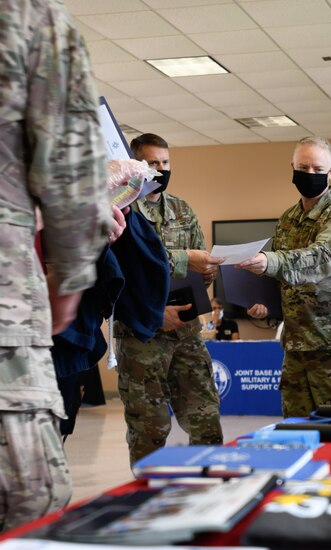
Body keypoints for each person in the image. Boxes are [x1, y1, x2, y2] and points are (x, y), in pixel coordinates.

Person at [0, 0, 112, 530]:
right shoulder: (27, 12)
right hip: (7, 314)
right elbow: (73, 165)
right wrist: (67, 283)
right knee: (26, 514)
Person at [239, 137, 331, 417]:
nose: (310, 174)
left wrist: (270, 261)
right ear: (292, 167)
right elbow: (282, 277)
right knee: (296, 432)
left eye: (317, 168)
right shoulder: (288, 218)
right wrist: (263, 302)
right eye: (303, 167)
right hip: (297, 344)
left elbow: (323, 258)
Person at [114, 133, 224, 464]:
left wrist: (207, 274)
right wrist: (154, 312)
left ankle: (209, 492)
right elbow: (120, 272)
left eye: (165, 162)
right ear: (136, 166)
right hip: (142, 337)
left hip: (186, 334)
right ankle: (148, 497)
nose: (161, 169)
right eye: (152, 163)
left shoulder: (181, 209)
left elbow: (198, 259)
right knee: (150, 426)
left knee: (205, 418)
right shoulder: (120, 209)